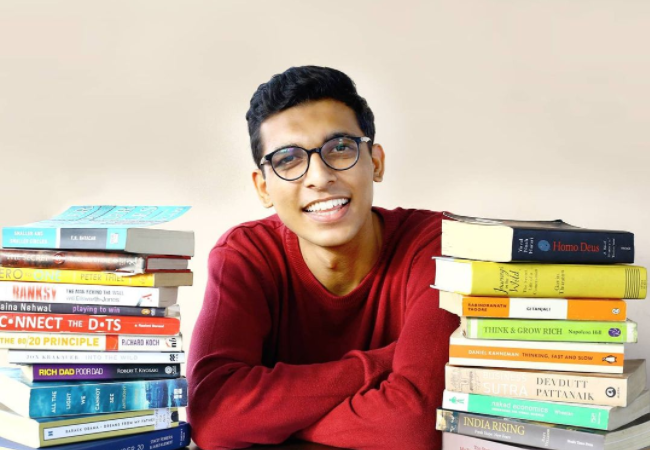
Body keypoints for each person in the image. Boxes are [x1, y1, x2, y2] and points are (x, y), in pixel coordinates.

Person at [187, 66, 459, 450]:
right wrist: (383, 363)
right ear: (263, 188)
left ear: (376, 162)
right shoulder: (244, 256)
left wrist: (269, 422)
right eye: (288, 159)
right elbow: (214, 418)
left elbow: (414, 427)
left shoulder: (439, 244)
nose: (319, 176)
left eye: (341, 148)